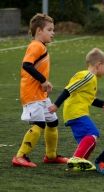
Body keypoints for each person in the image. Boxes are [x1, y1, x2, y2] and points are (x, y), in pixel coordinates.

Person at [12, 13, 68, 167]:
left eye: (53, 30)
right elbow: (26, 65)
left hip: (40, 95)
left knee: (52, 122)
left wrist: (44, 84)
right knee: (39, 124)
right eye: (49, 30)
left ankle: (51, 156)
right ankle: (20, 156)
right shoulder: (36, 45)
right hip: (31, 94)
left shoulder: (41, 46)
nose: (53, 33)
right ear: (39, 31)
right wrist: (43, 81)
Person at [48, 48, 104, 171]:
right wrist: (56, 105)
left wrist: (102, 103)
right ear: (99, 65)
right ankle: (76, 158)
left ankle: (78, 164)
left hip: (76, 112)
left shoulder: (91, 79)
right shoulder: (88, 76)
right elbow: (68, 89)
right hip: (76, 112)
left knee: (89, 141)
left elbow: (89, 98)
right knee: (93, 134)